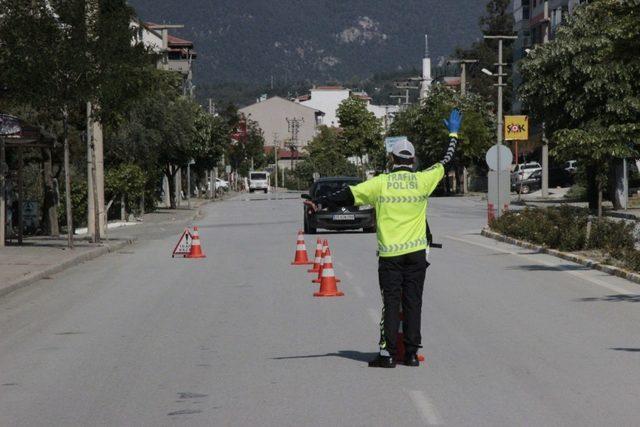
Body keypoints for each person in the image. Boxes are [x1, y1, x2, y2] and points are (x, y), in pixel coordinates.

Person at [304, 109, 462, 368]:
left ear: (391, 159)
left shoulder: (381, 183)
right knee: (413, 303)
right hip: (416, 255)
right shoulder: (423, 180)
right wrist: (453, 134)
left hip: (390, 256)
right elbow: (446, 160)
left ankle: (388, 355)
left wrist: (318, 202)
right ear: (412, 160)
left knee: (390, 304)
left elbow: (347, 195)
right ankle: (410, 354)